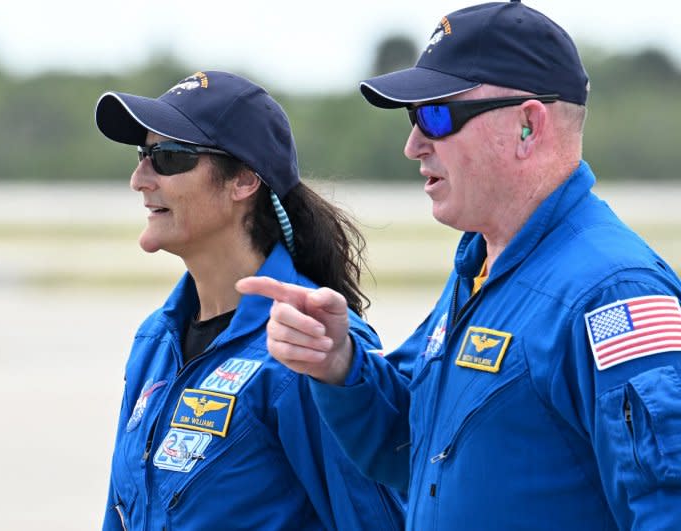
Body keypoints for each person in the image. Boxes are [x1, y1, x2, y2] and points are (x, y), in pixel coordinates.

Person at [237, 2, 681, 530]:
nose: (413, 144)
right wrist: (342, 365)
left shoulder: (613, 293)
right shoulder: (481, 269)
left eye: (437, 115)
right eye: (413, 117)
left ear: (527, 126)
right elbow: (416, 451)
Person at [94, 70, 404, 531]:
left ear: (243, 181)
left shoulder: (309, 349)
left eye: (169, 157)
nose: (140, 178)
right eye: (142, 155)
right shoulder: (156, 339)